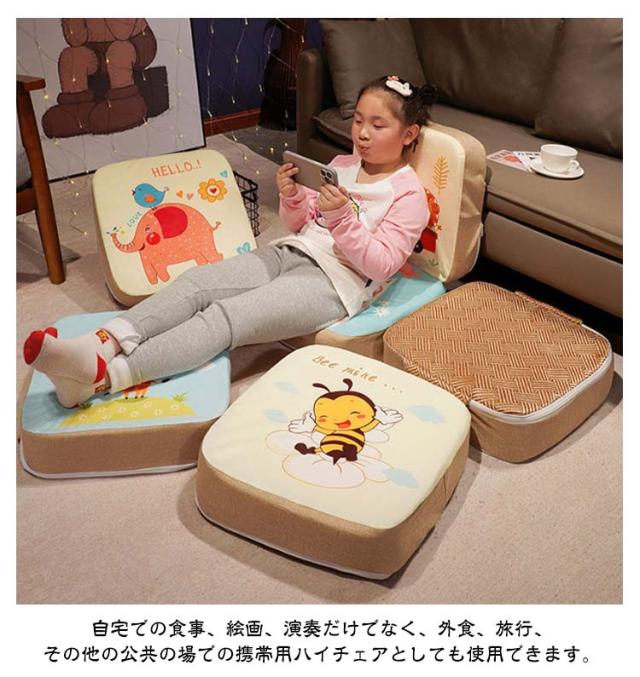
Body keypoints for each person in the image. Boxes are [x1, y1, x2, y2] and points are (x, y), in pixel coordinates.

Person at [23, 75, 437, 408]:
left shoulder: (408, 195)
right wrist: (293, 196)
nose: (362, 133)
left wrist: (341, 218)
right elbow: (300, 224)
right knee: (196, 283)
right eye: (358, 120)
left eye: (378, 125)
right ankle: (100, 344)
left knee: (226, 317)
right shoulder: (342, 164)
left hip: (334, 283)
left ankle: (99, 380)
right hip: (291, 251)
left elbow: (380, 265)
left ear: (409, 134)